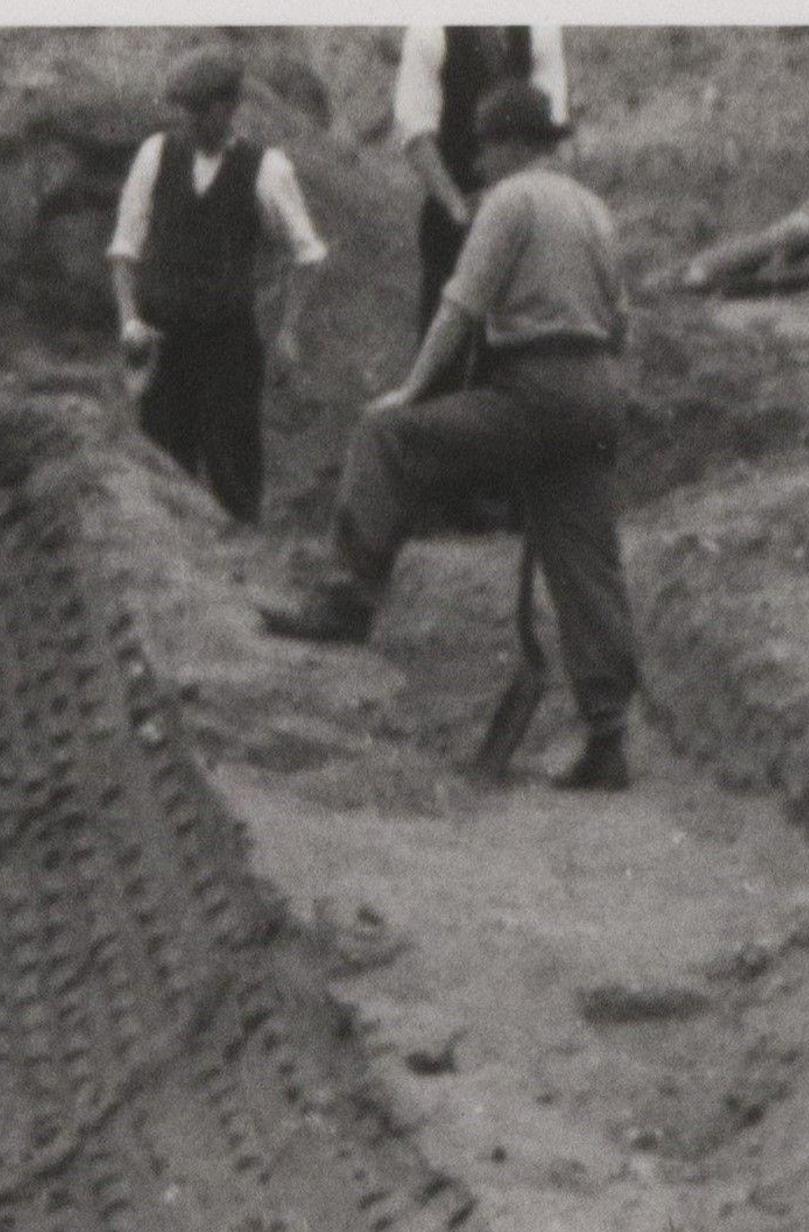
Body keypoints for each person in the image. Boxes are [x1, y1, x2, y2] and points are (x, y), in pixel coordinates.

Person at [262, 80, 640, 793]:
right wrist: (597, 397)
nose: (480, 160)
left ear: (514, 145)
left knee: (387, 439)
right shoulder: (593, 208)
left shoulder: (511, 202)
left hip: (535, 385)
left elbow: (459, 307)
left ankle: (345, 599)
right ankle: (608, 736)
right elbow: (621, 324)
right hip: (597, 393)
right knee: (587, 560)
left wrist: (412, 391)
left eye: (487, 145)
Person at [109, 49, 331, 526]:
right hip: (162, 344)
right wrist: (129, 319)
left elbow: (308, 254)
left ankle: (243, 576)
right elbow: (124, 251)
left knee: (233, 472)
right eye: (180, 110)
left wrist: (289, 330)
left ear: (225, 108)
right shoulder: (157, 154)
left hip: (226, 349)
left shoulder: (266, 168)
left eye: (195, 110)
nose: (184, 121)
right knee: (163, 474)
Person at [393, 25, 569, 350]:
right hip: (455, 210)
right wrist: (458, 209)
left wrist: (522, 203)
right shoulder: (430, 27)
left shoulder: (541, 27)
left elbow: (551, 129)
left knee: (522, 339)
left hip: (525, 210)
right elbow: (415, 133)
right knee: (447, 339)